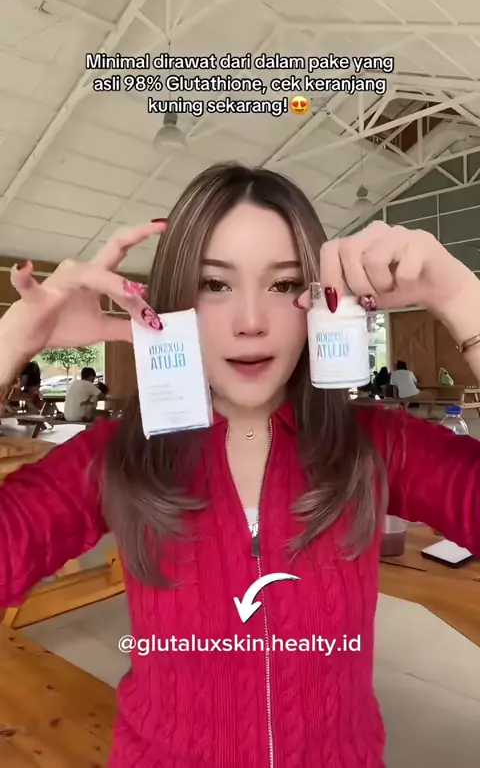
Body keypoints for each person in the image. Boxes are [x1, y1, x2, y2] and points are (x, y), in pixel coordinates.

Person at [0, 164, 479, 768]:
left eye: (283, 285)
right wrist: (10, 345)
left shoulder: (374, 445)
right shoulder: (120, 454)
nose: (251, 320)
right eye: (215, 284)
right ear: (176, 298)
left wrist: (460, 297)